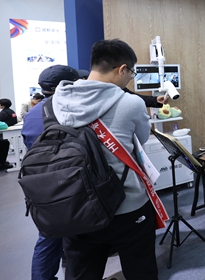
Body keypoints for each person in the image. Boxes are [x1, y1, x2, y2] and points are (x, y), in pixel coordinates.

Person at [51, 39, 157, 280]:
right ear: (122, 69)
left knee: (82, 272)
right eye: (131, 73)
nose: (130, 79)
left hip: (76, 204)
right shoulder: (130, 102)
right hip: (126, 205)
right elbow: (140, 140)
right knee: (141, 270)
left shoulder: (58, 100)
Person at [21, 65, 80, 280]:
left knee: (47, 237)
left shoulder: (32, 114)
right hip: (69, 182)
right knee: (80, 237)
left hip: (38, 184)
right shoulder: (69, 110)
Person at [0, 98, 18, 171]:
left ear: (2, 105)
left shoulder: (2, 113)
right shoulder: (12, 111)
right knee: (4, 142)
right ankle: (1, 163)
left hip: (4, 131)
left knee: (3, 141)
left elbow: (1, 124)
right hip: (10, 130)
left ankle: (1, 162)